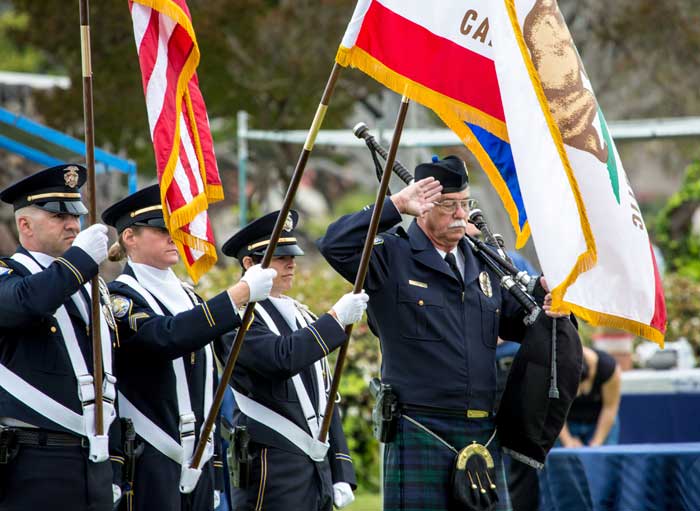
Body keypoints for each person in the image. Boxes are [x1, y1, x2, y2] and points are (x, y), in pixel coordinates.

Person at [318, 155, 563, 511]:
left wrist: (543, 299)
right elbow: (334, 244)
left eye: (465, 204)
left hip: (482, 429)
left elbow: (517, 322)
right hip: (419, 428)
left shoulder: (485, 260)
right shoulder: (391, 256)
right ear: (422, 208)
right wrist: (395, 204)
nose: (461, 214)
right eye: (449, 206)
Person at [102, 185, 276, 511]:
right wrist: (237, 295)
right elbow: (164, 337)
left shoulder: (189, 297)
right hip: (149, 453)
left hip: (201, 456)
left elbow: (210, 379)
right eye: (161, 229)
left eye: (176, 229)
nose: (173, 237)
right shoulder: (119, 297)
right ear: (129, 237)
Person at [218, 210, 366, 511]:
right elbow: (281, 358)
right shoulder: (238, 317)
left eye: (292, 256)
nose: (291, 264)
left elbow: (325, 396)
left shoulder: (300, 314)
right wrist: (335, 320)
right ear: (249, 263)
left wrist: (340, 467)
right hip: (271, 464)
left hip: (314, 464)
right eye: (279, 257)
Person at [0, 164, 122, 510]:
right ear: (25, 225)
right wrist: (81, 260)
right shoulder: (10, 276)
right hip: (36, 459)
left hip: (93, 459)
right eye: (58, 216)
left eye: (76, 215)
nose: (72, 224)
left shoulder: (89, 285)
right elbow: (28, 302)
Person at [559, 345, 621, 447]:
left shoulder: (608, 368)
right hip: (566, 422)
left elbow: (610, 407)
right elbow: (553, 410)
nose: (578, 394)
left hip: (600, 421)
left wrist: (597, 442)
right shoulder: (557, 370)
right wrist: (568, 441)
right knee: (563, 460)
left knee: (602, 460)